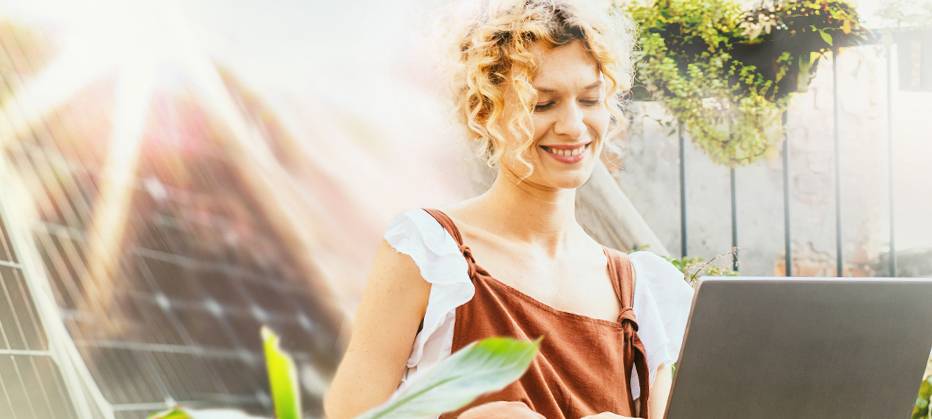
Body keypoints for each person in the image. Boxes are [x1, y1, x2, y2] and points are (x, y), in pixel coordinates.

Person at [324, 1, 692, 417]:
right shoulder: (430, 255)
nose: (573, 126)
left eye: (589, 100)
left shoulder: (640, 290)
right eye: (541, 104)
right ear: (484, 111)